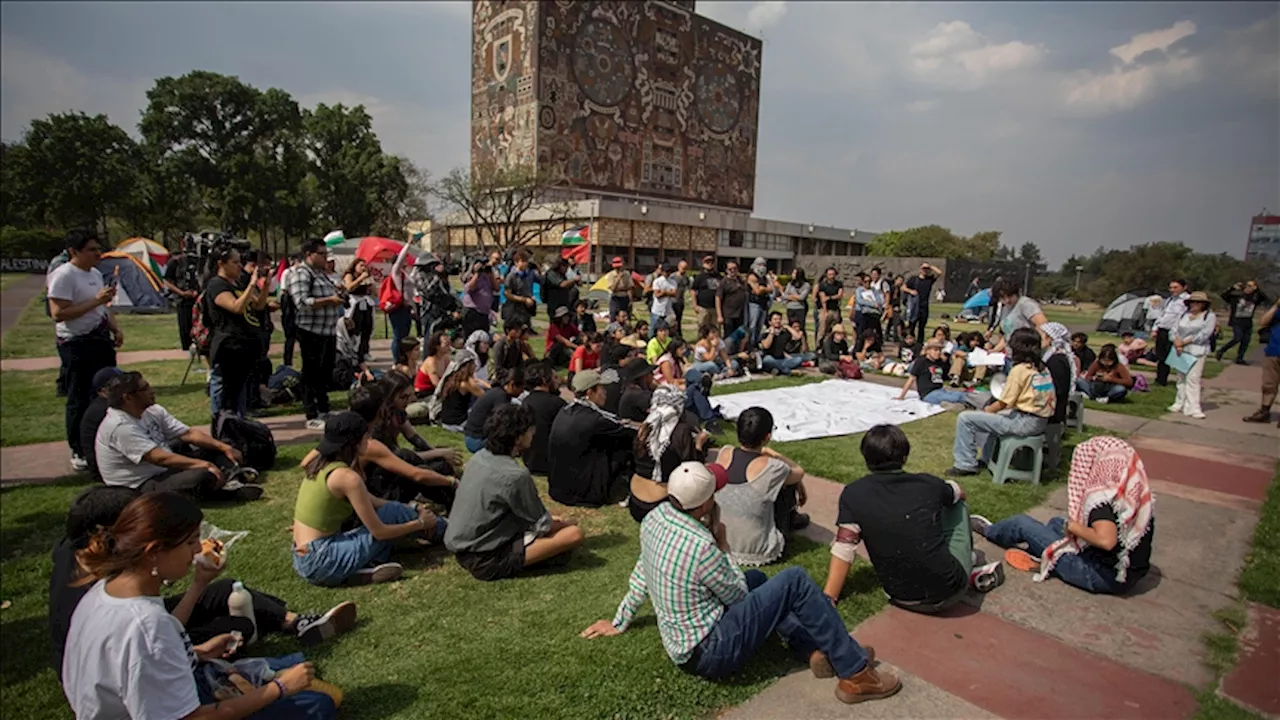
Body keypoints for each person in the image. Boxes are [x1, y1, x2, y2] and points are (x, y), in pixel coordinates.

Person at [581, 462, 900, 705]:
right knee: (795, 580)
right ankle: (856, 672)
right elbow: (735, 594)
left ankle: (811, 648)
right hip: (711, 650)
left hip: (686, 643)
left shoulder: (654, 518)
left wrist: (620, 619)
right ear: (705, 505)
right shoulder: (702, 546)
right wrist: (723, 547)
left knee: (759, 579)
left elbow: (642, 572)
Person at [61, 492, 333, 720]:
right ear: (154, 551)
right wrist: (280, 688)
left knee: (292, 663)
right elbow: (193, 718)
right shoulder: (145, 624)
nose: (196, 550)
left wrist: (197, 649)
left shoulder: (105, 590)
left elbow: (141, 653)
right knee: (316, 704)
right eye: (190, 541)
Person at [824, 426, 1004, 615]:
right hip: (949, 591)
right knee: (957, 506)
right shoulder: (928, 484)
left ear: (866, 457)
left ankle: (967, 564)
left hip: (898, 595)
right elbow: (959, 493)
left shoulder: (853, 494)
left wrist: (829, 596)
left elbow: (844, 547)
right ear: (905, 457)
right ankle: (969, 562)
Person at [972, 436, 1154, 594]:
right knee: (1056, 523)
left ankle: (991, 531)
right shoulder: (1133, 492)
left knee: (1022, 523)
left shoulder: (1101, 500)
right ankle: (1042, 554)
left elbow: (1107, 541)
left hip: (1099, 574)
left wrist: (1074, 527)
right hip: (1127, 572)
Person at [293, 412, 444, 587]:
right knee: (389, 521)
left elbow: (375, 502)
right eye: (367, 437)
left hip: (304, 557)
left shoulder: (319, 465)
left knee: (391, 511)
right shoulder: (347, 477)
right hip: (321, 559)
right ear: (356, 442)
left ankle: (359, 571)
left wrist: (415, 508)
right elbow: (379, 532)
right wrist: (420, 523)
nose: (370, 441)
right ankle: (447, 531)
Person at [445, 405, 586, 581]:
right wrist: (565, 524)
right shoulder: (515, 476)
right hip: (486, 559)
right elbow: (542, 525)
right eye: (530, 429)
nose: (533, 433)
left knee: (554, 524)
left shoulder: (479, 457)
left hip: (464, 547)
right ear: (518, 437)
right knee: (573, 534)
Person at [95, 371, 261, 501]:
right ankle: (227, 489)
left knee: (216, 447)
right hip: (140, 485)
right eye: (145, 388)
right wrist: (204, 465)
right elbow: (158, 458)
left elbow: (188, 433)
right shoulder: (119, 425)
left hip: (163, 469)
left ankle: (229, 479)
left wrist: (225, 448)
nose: (152, 391)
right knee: (201, 475)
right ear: (128, 397)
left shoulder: (152, 411)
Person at [48, 228, 122, 472]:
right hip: (76, 343)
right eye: (91, 249)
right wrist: (97, 301)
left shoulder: (94, 274)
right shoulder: (64, 275)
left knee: (107, 393)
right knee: (79, 397)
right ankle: (77, 448)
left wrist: (115, 328)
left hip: (100, 339)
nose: (97, 254)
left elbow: (102, 307)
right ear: (74, 252)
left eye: (98, 248)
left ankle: (101, 442)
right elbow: (58, 313)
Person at [947, 327, 1055, 476]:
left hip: (1025, 421)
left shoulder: (1020, 370)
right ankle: (987, 458)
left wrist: (986, 412)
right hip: (1040, 420)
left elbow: (1003, 402)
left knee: (965, 418)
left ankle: (965, 464)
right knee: (996, 419)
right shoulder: (1042, 368)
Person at [714, 407, 809, 566]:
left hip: (722, 539)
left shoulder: (724, 453)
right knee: (785, 483)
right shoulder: (773, 467)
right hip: (759, 550)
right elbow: (799, 472)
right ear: (767, 436)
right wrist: (774, 454)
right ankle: (792, 519)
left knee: (779, 480)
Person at [360, 375, 461, 504]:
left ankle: (453, 502)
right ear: (388, 398)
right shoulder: (377, 426)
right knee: (424, 472)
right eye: (403, 397)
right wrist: (439, 454)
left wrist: (439, 453)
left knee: (440, 464)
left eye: (410, 396)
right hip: (382, 479)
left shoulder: (398, 413)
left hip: (395, 463)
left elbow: (413, 437)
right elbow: (396, 459)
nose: (408, 401)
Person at [548, 369, 637, 507]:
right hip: (583, 493)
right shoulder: (594, 419)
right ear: (590, 392)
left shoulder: (565, 411)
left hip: (559, 487)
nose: (605, 391)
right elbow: (629, 430)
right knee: (626, 443)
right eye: (601, 388)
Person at [205, 247, 271, 419]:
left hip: (244, 344)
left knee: (240, 389)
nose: (239, 266)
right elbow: (236, 306)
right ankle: (221, 425)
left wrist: (265, 287)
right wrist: (251, 284)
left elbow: (258, 306)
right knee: (223, 388)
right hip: (227, 345)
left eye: (240, 262)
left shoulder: (238, 283)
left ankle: (238, 423)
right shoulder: (217, 285)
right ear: (221, 264)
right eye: (235, 262)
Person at [629, 386, 711, 522]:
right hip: (660, 505)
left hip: (636, 502)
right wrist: (698, 444)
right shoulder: (680, 431)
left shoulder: (644, 428)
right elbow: (692, 469)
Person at [287, 239, 345, 430]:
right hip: (310, 331)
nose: (325, 257)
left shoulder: (322, 274)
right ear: (309, 254)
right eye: (321, 254)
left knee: (324, 373)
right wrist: (329, 300)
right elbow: (302, 302)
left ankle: (323, 409)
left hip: (327, 331)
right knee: (311, 373)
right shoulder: (301, 274)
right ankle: (311, 413)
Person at [1168, 291, 1216, 420]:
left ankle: (1193, 407)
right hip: (1180, 350)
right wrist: (1176, 341)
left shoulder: (1209, 316)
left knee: (1193, 378)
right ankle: (1179, 402)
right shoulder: (1183, 314)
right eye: (1193, 302)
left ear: (1204, 304)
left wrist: (1184, 341)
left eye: (1198, 302)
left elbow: (1205, 334)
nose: (1195, 305)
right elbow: (1174, 330)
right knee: (1180, 377)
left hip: (1197, 350)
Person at [463, 364, 525, 453]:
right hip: (477, 440)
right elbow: (502, 425)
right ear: (512, 385)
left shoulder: (497, 392)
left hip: (472, 436)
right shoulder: (501, 398)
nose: (522, 392)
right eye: (521, 388)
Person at [520, 363, 566, 475]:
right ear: (545, 380)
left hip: (529, 461)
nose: (557, 381)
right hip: (550, 462)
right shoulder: (557, 403)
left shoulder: (526, 401)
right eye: (554, 377)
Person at [79, 366, 123, 482]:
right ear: (103, 391)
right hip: (107, 472)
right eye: (118, 386)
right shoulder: (106, 411)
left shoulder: (106, 405)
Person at [1243, 297, 1280, 426]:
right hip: (1274, 350)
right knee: (1269, 384)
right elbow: (1263, 322)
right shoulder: (1278, 309)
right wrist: (1276, 305)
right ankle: (1264, 411)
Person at [897, 341, 968, 406]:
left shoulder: (939, 362)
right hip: (928, 394)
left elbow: (945, 375)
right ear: (928, 351)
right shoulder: (921, 362)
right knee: (956, 398)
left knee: (962, 394)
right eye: (935, 350)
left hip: (940, 390)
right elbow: (911, 379)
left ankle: (970, 403)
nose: (938, 352)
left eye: (940, 350)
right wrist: (902, 396)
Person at [1218, 280, 1269, 364]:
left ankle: (1240, 358)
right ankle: (1222, 350)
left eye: (1251, 286)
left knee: (1245, 341)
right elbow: (1223, 295)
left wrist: (1257, 290)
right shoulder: (1236, 297)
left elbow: (1265, 298)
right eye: (1247, 286)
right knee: (1237, 338)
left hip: (1247, 322)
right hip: (1236, 321)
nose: (1248, 288)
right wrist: (1232, 288)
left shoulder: (1255, 298)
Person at [435, 349, 486, 430]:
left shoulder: (452, 377)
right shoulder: (466, 382)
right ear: (467, 366)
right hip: (457, 423)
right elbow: (486, 397)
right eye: (473, 363)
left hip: (446, 422)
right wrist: (485, 383)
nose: (475, 366)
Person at [1153, 279, 1190, 386]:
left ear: (1184, 287)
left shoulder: (1187, 300)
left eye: (1175, 287)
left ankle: (1182, 380)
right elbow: (1163, 315)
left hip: (1174, 331)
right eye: (1171, 287)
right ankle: (1160, 379)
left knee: (1171, 356)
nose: (1172, 290)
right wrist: (1155, 328)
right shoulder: (1170, 300)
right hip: (1163, 329)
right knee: (1161, 355)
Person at [991, 278, 1047, 347]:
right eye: (1002, 298)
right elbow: (1008, 335)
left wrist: (1034, 346)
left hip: (1026, 352)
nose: (1007, 300)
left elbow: (1043, 324)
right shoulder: (1005, 308)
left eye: (1010, 296)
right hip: (1012, 353)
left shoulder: (1025, 304)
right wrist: (994, 350)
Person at [162, 250, 199, 352]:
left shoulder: (200, 261)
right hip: (182, 301)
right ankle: (187, 350)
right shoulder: (175, 262)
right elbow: (167, 282)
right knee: (185, 328)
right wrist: (181, 293)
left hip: (198, 300)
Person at [343, 257, 376, 362]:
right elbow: (349, 287)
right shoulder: (349, 275)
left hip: (365, 303)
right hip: (354, 304)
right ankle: (352, 351)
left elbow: (374, 292)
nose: (363, 267)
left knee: (367, 327)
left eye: (365, 266)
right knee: (355, 329)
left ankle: (364, 351)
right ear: (355, 266)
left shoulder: (367, 276)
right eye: (361, 265)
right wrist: (360, 278)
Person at [903, 262, 942, 344]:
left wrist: (930, 266)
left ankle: (919, 343)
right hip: (914, 306)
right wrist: (911, 291)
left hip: (924, 306)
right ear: (920, 269)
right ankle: (910, 342)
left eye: (926, 269)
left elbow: (939, 273)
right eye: (923, 268)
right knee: (911, 325)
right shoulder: (913, 279)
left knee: (922, 327)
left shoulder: (929, 279)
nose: (925, 270)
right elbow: (903, 287)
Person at [462, 256, 500, 337]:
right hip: (472, 311)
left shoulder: (488, 276)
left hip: (484, 313)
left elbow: (496, 288)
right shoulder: (470, 275)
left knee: (483, 337)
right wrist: (477, 273)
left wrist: (490, 273)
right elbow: (470, 288)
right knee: (470, 337)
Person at [745, 258, 778, 349]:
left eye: (764, 264)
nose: (762, 267)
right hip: (754, 304)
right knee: (753, 326)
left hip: (763, 304)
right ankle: (750, 344)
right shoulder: (752, 276)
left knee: (759, 326)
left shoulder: (764, 277)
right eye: (760, 264)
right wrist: (764, 289)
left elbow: (771, 289)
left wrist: (763, 288)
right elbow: (757, 291)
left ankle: (756, 344)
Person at [491, 319, 535, 384]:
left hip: (514, 375)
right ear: (508, 330)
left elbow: (520, 363)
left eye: (519, 329)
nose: (519, 332)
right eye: (516, 330)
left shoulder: (517, 344)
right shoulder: (500, 345)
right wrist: (513, 373)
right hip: (502, 378)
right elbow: (498, 368)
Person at [502, 250, 539, 327]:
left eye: (526, 261)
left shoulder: (530, 274)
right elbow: (507, 294)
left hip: (527, 309)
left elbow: (541, 280)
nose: (525, 263)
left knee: (525, 332)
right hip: (514, 309)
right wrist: (524, 299)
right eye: (522, 261)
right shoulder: (511, 276)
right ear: (516, 262)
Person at [716, 261, 750, 340]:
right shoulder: (723, 282)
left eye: (735, 268)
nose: (732, 270)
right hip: (728, 314)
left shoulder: (740, 280)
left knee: (739, 334)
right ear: (726, 270)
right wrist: (719, 315)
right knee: (729, 335)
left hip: (740, 313)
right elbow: (718, 298)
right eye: (730, 269)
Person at [851, 272, 885, 351]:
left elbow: (880, 301)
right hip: (862, 314)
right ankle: (858, 350)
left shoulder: (875, 291)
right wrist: (872, 304)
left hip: (873, 315)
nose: (868, 283)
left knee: (873, 333)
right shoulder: (859, 290)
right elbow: (860, 301)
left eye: (869, 281)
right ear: (862, 282)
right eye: (866, 281)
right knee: (860, 333)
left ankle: (872, 349)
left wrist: (874, 304)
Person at [279, 254, 302, 367]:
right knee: (290, 336)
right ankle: (287, 362)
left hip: (299, 303)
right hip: (289, 302)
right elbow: (284, 289)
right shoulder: (288, 272)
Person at [691, 255, 722, 335]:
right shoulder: (699, 276)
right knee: (703, 329)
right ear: (703, 264)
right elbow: (693, 290)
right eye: (707, 262)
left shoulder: (718, 276)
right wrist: (695, 305)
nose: (710, 264)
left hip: (715, 308)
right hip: (703, 308)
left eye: (711, 262)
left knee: (715, 329)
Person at [816, 267, 844, 344]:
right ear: (826, 275)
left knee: (836, 329)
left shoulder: (839, 284)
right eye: (830, 274)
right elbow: (823, 299)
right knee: (822, 330)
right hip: (825, 310)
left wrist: (829, 297)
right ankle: (819, 346)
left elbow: (840, 296)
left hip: (835, 310)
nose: (831, 276)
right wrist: (825, 312)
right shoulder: (822, 285)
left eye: (833, 274)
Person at [650, 261, 680, 332]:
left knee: (666, 329)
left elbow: (674, 294)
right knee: (654, 329)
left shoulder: (673, 282)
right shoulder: (657, 281)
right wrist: (668, 292)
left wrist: (664, 292)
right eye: (666, 271)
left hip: (668, 310)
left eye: (669, 271)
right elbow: (657, 295)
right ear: (662, 272)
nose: (668, 273)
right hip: (657, 310)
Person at [670, 259, 690, 336]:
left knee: (679, 319)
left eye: (685, 268)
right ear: (678, 267)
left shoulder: (686, 278)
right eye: (682, 268)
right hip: (672, 301)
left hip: (680, 301)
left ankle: (678, 334)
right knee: (672, 319)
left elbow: (687, 288)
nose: (684, 270)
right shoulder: (673, 276)